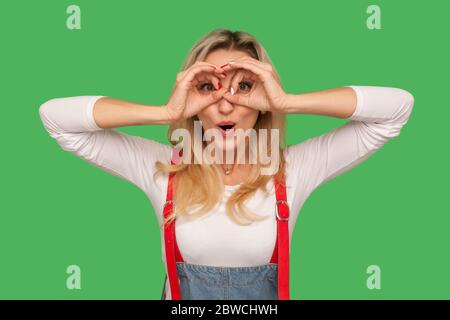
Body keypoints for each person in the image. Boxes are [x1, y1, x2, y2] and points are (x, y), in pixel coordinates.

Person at [38, 28, 415, 300]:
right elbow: (55, 118)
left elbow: (396, 109)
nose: (225, 103)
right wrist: (167, 112)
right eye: (208, 87)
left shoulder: (294, 170)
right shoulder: (162, 168)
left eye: (244, 87)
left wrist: (287, 101)